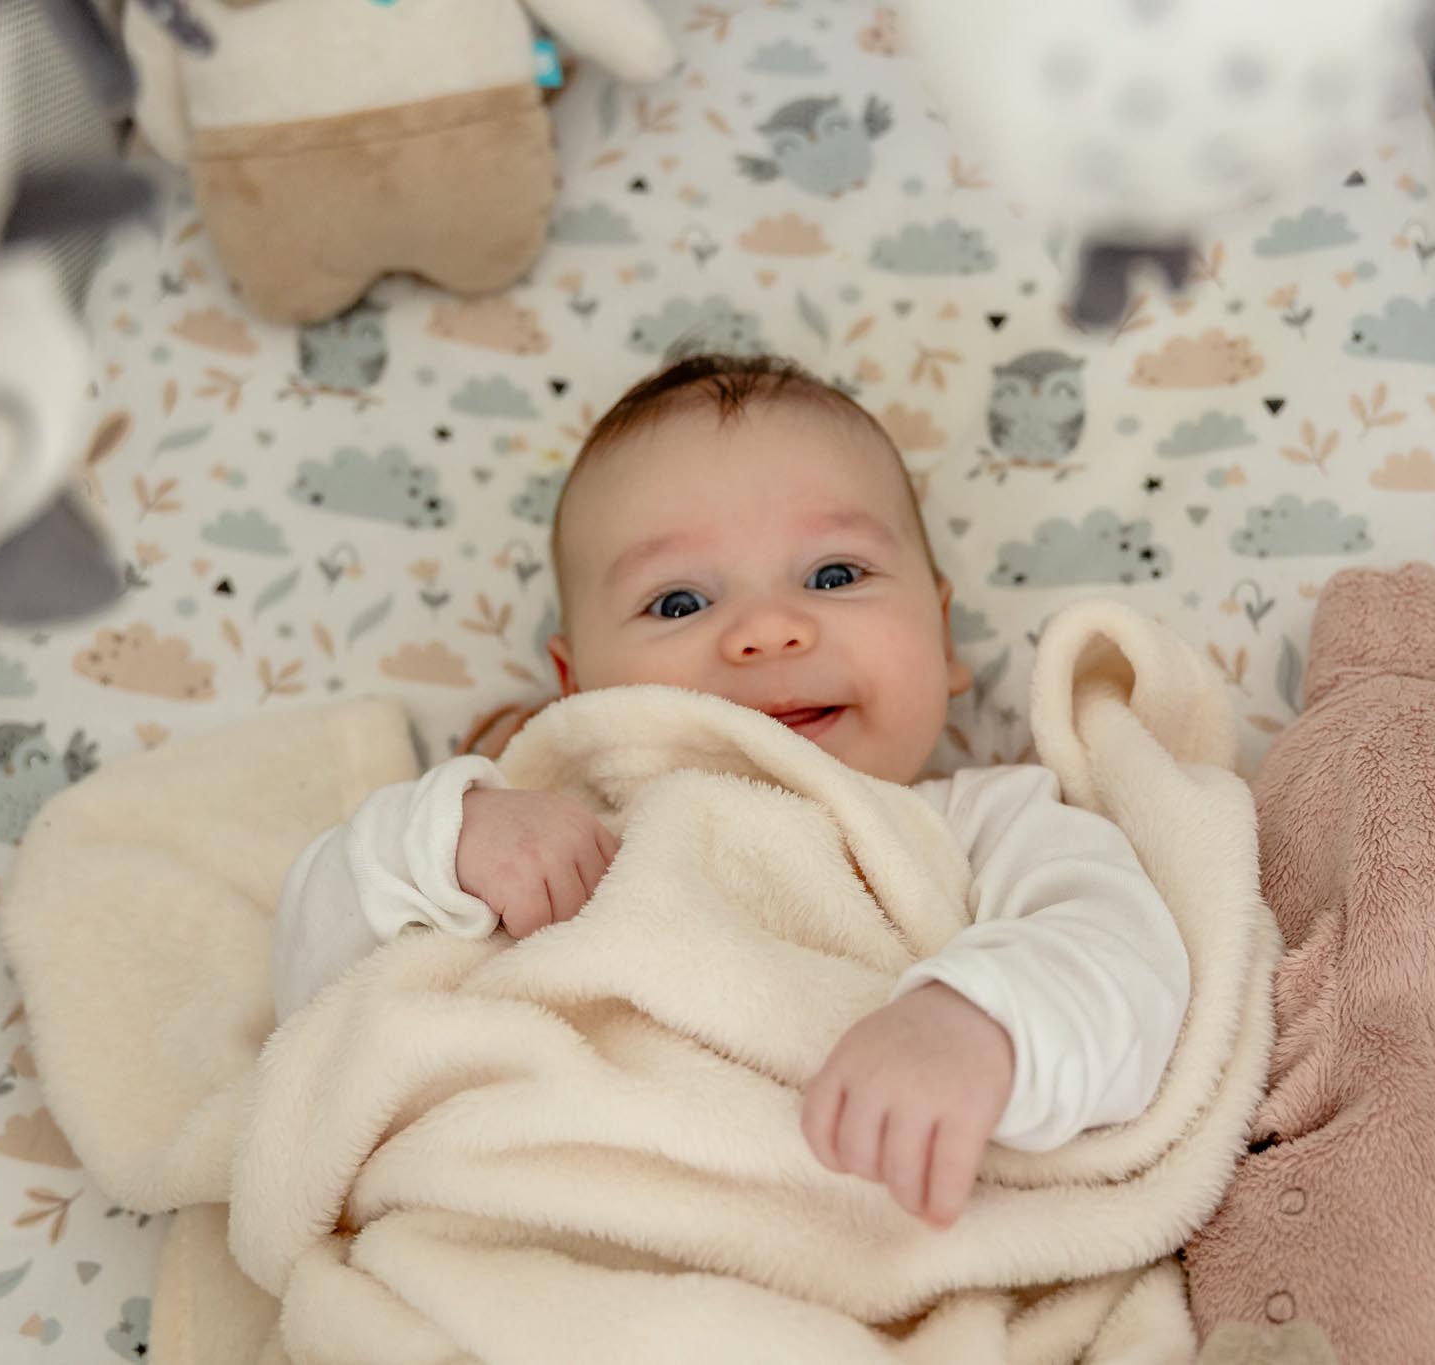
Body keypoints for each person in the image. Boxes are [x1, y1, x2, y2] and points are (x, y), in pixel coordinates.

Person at [272, 354, 1189, 1228]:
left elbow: (1123, 959)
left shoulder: (982, 824)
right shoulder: (543, 822)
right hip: (546, 1219)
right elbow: (320, 989)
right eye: (679, 602)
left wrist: (980, 1022)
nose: (768, 629)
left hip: (840, 1241)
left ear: (942, 637)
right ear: (576, 684)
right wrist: (445, 840)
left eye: (834, 575)